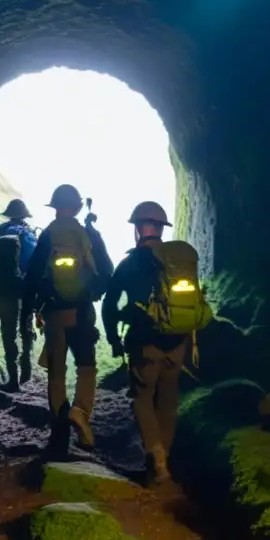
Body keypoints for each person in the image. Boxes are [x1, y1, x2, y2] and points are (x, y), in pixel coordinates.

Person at [102, 201, 213, 484]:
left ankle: (156, 455)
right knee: (167, 399)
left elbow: (109, 304)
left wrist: (114, 339)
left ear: (138, 230)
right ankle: (165, 462)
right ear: (161, 229)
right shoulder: (180, 263)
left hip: (144, 345)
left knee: (142, 399)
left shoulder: (129, 264)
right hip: (177, 344)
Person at [22, 184, 114, 455]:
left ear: (56, 208)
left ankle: (59, 427)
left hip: (54, 315)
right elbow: (107, 272)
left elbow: (32, 277)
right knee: (87, 368)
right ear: (76, 208)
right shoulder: (88, 234)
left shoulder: (48, 236)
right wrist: (90, 293)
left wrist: (27, 313)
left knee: (57, 372)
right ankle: (81, 411)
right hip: (83, 315)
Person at [0, 198, 39, 390]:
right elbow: (35, 262)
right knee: (26, 329)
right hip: (24, 289)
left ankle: (12, 379)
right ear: (24, 215)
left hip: (3, 289)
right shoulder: (29, 234)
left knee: (8, 332)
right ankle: (26, 372)